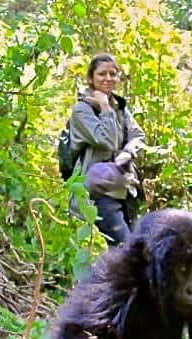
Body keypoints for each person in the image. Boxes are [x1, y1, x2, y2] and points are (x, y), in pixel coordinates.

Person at [68, 53, 146, 246]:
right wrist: (104, 107)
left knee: (135, 250)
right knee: (126, 249)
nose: (108, 79)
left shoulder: (120, 107)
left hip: (125, 188)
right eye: (102, 74)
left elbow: (138, 135)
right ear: (91, 78)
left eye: (113, 73)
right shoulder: (82, 110)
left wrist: (128, 152)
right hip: (99, 194)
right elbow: (108, 141)